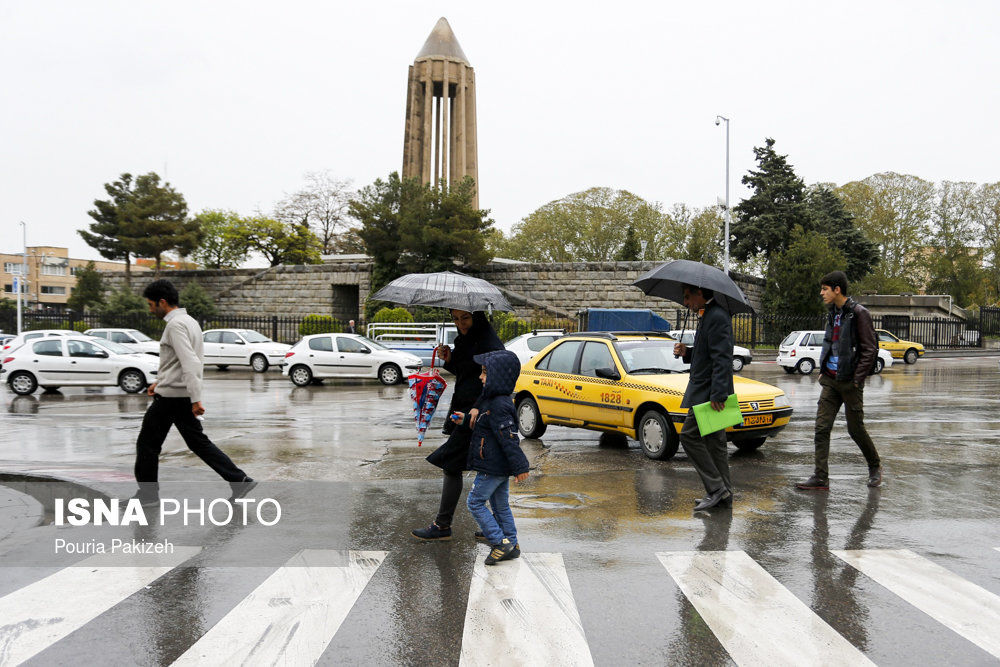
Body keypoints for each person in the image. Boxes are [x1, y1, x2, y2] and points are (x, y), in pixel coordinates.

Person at [132, 279, 256, 506]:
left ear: (162, 302)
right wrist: (159, 382)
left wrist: (196, 399)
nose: (150, 310)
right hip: (177, 393)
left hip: (172, 398)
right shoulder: (190, 322)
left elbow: (190, 362)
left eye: (151, 305)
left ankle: (148, 496)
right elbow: (178, 363)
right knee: (198, 443)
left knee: (147, 445)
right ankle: (239, 479)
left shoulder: (175, 325)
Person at [412, 310, 503, 541]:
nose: (460, 323)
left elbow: (497, 379)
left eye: (465, 317)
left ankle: (442, 526)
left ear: (477, 317)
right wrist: (450, 360)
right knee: (488, 466)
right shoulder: (464, 340)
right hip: (463, 409)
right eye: (455, 318)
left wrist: (478, 406)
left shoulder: (488, 342)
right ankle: (496, 527)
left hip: (476, 413)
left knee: (452, 463)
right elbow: (465, 373)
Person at [796, 271, 882, 491]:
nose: (821, 293)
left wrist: (856, 379)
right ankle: (820, 477)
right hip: (831, 381)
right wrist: (824, 368)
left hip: (850, 382)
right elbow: (829, 342)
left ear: (837, 290)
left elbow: (870, 349)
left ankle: (875, 466)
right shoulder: (832, 313)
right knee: (821, 428)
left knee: (856, 430)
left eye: (825, 289)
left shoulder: (858, 313)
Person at [455, 350, 529, 564]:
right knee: (500, 505)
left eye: (485, 373)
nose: (481, 377)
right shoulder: (493, 400)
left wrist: (520, 466)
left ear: (497, 376)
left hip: (492, 467)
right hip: (496, 466)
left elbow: (509, 438)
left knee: (475, 502)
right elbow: (487, 425)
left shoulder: (498, 405)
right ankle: (512, 544)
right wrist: (466, 418)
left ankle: (499, 542)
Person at [672, 284, 735, 511]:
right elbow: (706, 353)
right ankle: (724, 494)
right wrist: (686, 352)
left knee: (688, 436)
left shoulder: (717, 316)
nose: (686, 302)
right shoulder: (708, 315)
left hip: (708, 392)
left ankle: (716, 489)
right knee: (715, 443)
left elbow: (722, 358)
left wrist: (718, 393)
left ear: (700, 293)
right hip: (707, 389)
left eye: (688, 297)